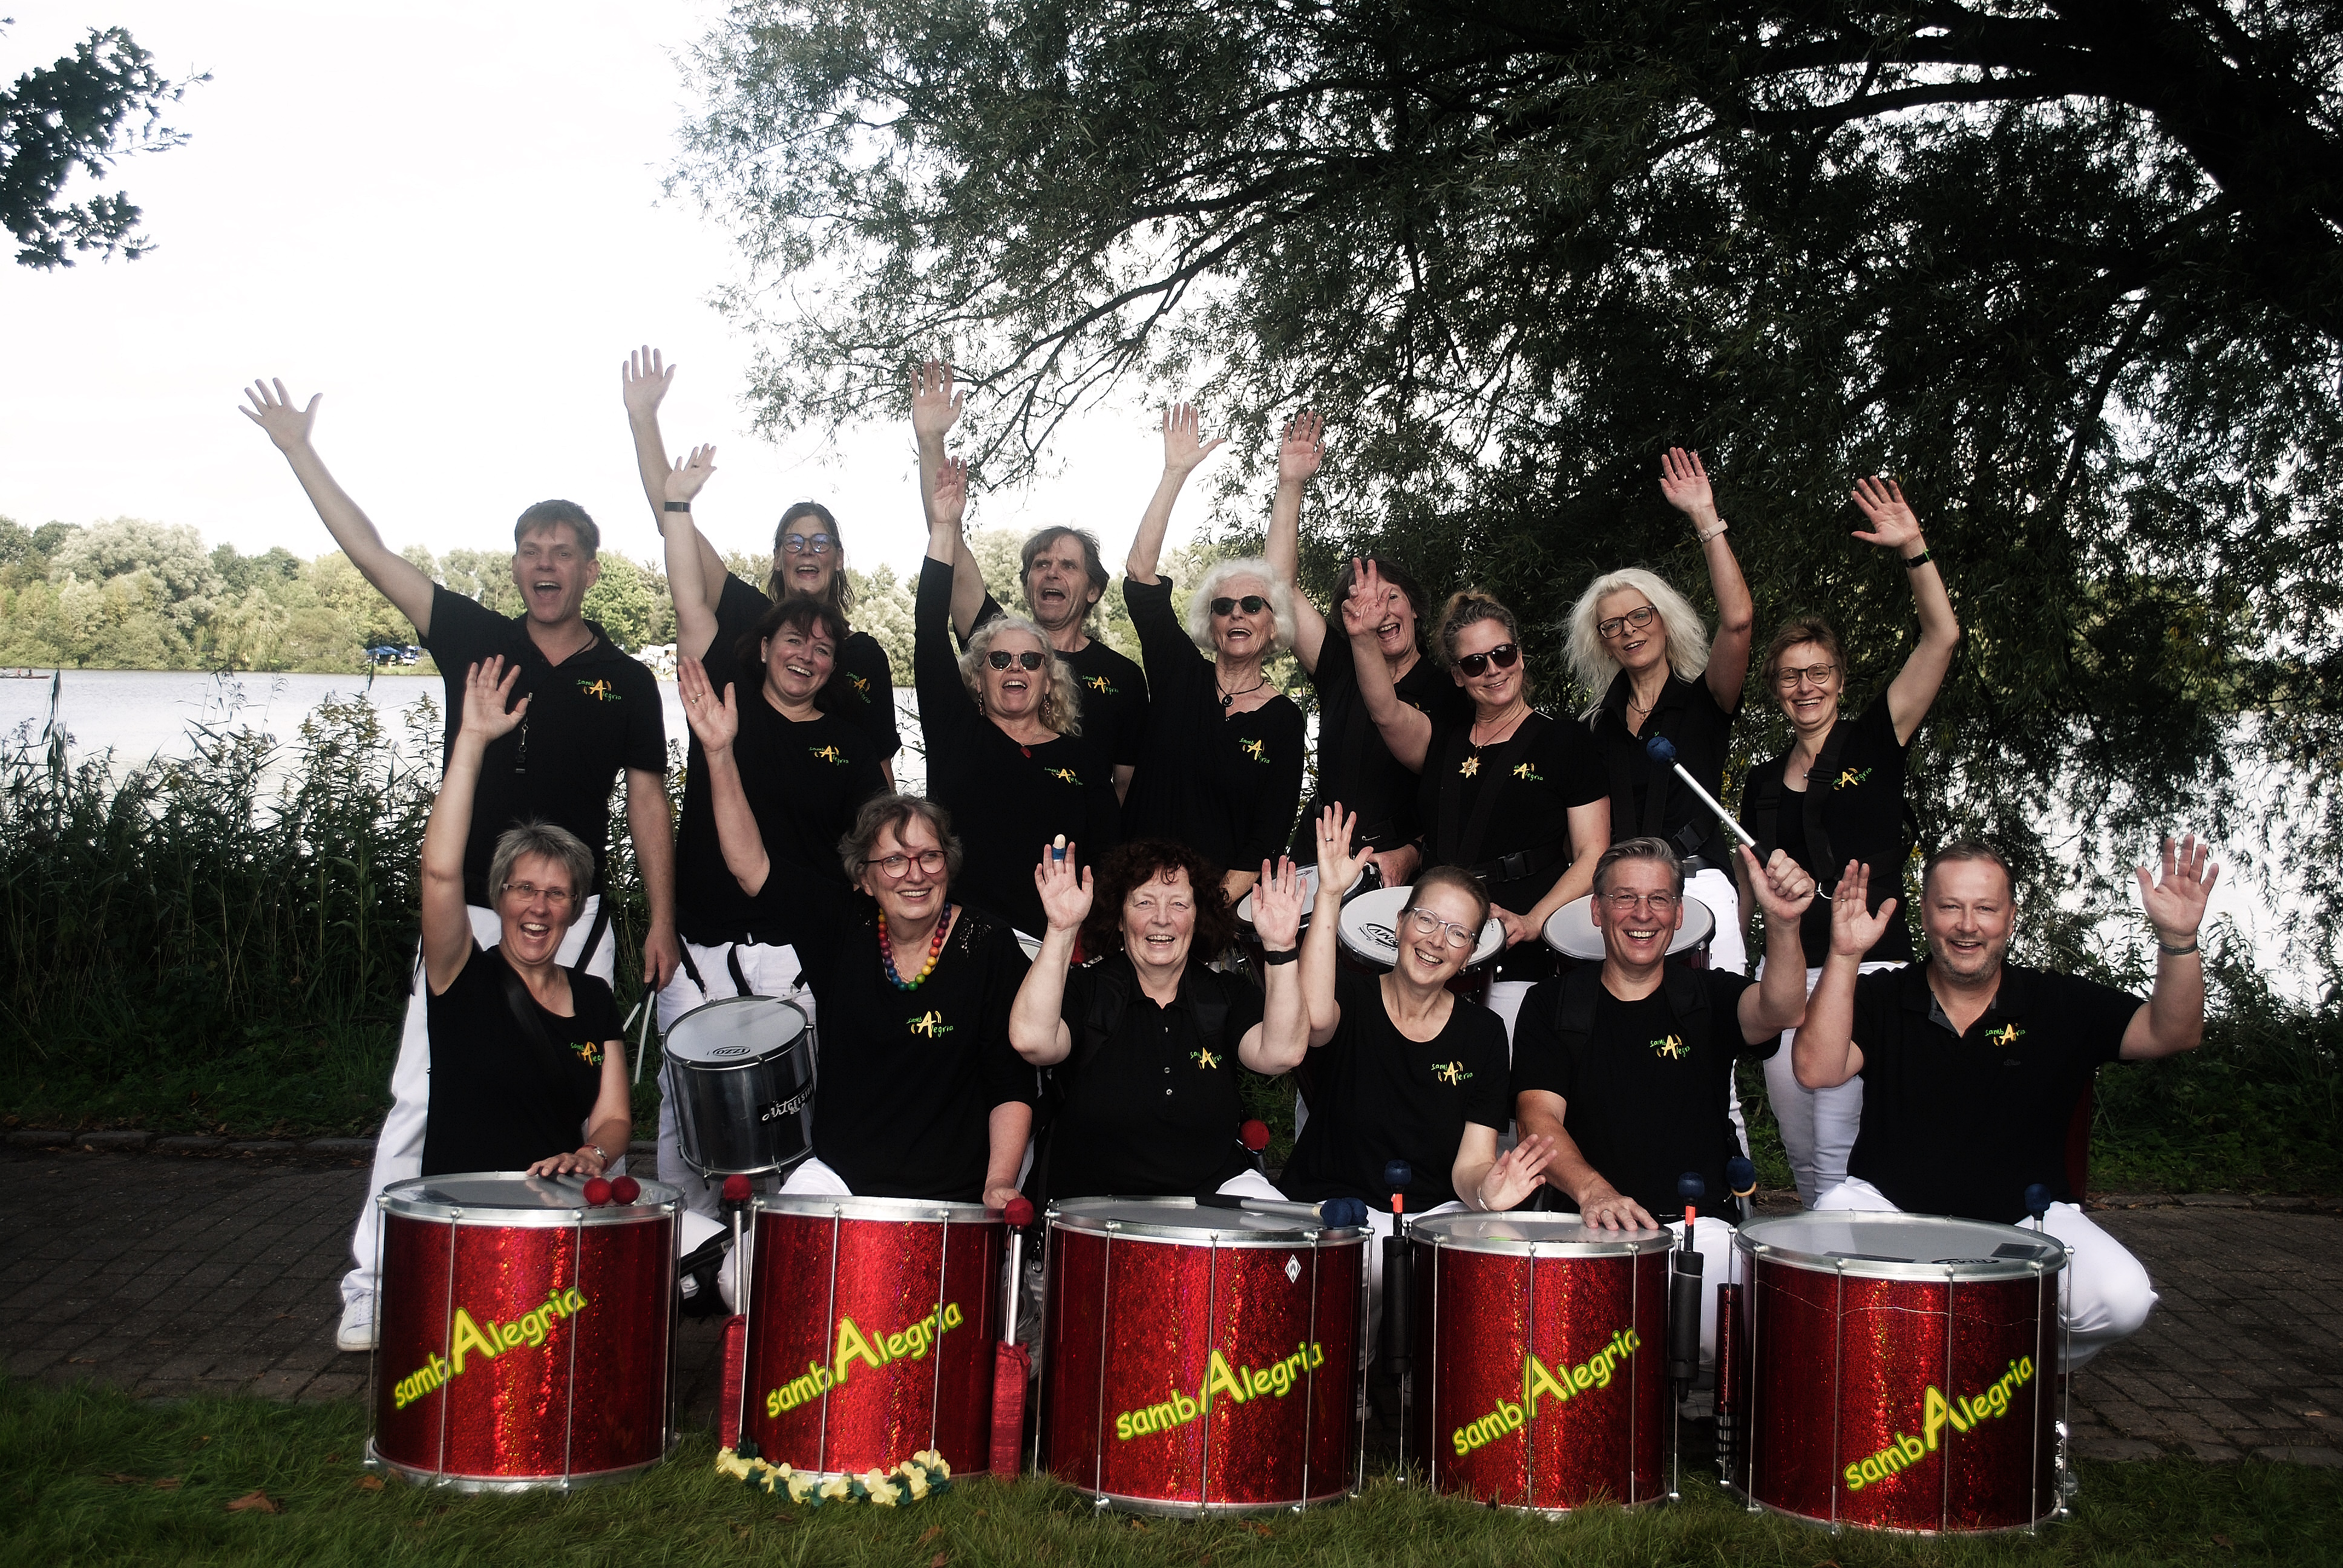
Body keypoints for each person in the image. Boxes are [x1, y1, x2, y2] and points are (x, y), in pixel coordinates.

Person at [241, 378, 675, 1354]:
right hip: (471, 918)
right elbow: (370, 552)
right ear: (517, 565)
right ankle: (374, 1283)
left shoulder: (626, 681)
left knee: (586, 1108)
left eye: (561, 552)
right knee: (422, 1093)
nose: (543, 565)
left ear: (590, 568)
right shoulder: (475, 639)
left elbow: (648, 800)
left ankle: (565, 1282)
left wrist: (662, 916)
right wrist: (298, 449)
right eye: (530, 550)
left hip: (579, 923)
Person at [1792, 838, 2217, 1368]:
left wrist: (2178, 940)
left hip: (2024, 1225)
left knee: (2122, 1299)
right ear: (1925, 914)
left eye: (1986, 908)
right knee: (1812, 1271)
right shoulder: (1882, 995)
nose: (1967, 926)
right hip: (1889, 1215)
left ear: (2011, 918)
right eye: (1950, 906)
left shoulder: (2058, 1003)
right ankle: (1914, 1366)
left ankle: (2006, 1369)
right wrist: (1844, 955)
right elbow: (1815, 1069)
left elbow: (2173, 1033)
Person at [653, 445, 887, 1216]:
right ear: (762, 647)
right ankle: (690, 1257)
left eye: (822, 649)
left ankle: (783, 1263)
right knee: (686, 1128)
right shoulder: (721, 702)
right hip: (703, 949)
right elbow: (690, 599)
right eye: (793, 641)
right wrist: (677, 506)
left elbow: (877, 845)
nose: (806, 655)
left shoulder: (849, 743)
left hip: (798, 958)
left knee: (796, 1136)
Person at [1738, 476, 1961, 1206]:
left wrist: (1912, 548)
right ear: (1774, 688)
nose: (1804, 687)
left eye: (1818, 672)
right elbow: (1747, 891)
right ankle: (1813, 1271)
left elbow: (1941, 637)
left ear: (1838, 678)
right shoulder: (1760, 781)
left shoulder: (1877, 738)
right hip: (1786, 979)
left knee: (1844, 1160)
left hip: (1868, 969)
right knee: (1804, 1162)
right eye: (1789, 676)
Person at [1510, 837, 1817, 1362]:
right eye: (1625, 898)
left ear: (1678, 914)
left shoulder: (1709, 996)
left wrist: (1784, 924)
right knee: (1575, 1363)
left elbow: (1783, 1009)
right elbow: (1536, 1120)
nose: (1642, 913)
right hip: (1585, 1226)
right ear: (1597, 910)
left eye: (1658, 899)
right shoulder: (1551, 1003)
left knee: (1752, 1337)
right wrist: (1594, 1193)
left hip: (1699, 1229)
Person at [1284, 808, 1558, 1350]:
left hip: (1428, 1218)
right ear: (1401, 922)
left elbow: (1471, 1165)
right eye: (1427, 920)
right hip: (1333, 1210)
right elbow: (1313, 1021)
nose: (1436, 941)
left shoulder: (1484, 1034)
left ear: (1471, 953)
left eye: (1458, 933)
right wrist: (1330, 895)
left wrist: (1488, 1192)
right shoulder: (1351, 997)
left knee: (1500, 1273)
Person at [690, 792, 1035, 1206]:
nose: (915, 875)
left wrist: (998, 1183)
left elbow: (1010, 1084)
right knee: (759, 1248)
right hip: (839, 1180)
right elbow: (750, 866)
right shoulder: (839, 924)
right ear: (865, 879)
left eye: (930, 857)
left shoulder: (988, 944)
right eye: (894, 860)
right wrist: (718, 757)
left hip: (953, 1196)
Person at [1346, 564, 1611, 1037]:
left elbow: (1593, 854)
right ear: (1457, 676)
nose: (1492, 670)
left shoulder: (1566, 741)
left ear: (1520, 657)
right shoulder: (1441, 740)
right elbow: (1385, 711)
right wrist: (1364, 638)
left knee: (1504, 1072)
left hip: (1516, 946)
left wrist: (1533, 921)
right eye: (1474, 663)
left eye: (1502, 654)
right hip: (1430, 946)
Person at [623, 347, 900, 782]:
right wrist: (643, 418)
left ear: (839, 559)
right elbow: (672, 523)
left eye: (820, 542)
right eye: (794, 542)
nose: (807, 551)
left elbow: (880, 770)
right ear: (777, 558)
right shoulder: (743, 615)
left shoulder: (865, 657)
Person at [416, 658, 634, 1181]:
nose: (539, 907)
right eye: (525, 890)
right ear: (499, 897)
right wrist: (472, 740)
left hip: (551, 1213)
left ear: (575, 909)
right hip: (462, 1212)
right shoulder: (460, 975)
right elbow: (440, 872)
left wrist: (591, 1156)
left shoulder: (594, 1000)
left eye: (557, 894)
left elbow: (614, 1119)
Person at [1010, 838, 1309, 1203]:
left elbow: (1282, 1053)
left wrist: (1280, 946)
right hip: (1091, 1214)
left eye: (1179, 904)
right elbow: (1032, 1042)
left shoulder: (1224, 995)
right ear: (1120, 918)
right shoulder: (1087, 990)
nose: (1162, 918)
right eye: (1144, 903)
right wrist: (1061, 928)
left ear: (1197, 916)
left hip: (1206, 1209)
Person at [909, 361, 1150, 802]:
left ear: (1094, 589)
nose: (1052, 572)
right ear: (1026, 584)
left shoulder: (1125, 678)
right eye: (1041, 564)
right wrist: (931, 441)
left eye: (1068, 566)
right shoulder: (996, 642)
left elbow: (1125, 788)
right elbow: (947, 541)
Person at [1568, 447, 1757, 975]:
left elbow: (1739, 622)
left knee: (1713, 1022)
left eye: (1640, 615)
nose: (1628, 630)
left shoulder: (1706, 700)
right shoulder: (1594, 729)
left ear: (1664, 619)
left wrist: (1705, 517)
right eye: (1612, 625)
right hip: (1623, 900)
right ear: (1602, 642)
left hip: (1698, 887)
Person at [918, 458, 1122, 936]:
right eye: (999, 660)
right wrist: (944, 528)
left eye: (1030, 660)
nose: (1015, 668)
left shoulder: (1083, 760)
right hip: (962, 941)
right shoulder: (956, 734)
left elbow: (1108, 860)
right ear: (978, 678)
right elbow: (928, 629)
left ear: (1049, 680)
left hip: (1053, 945)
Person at [1263, 413, 1466, 882]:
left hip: (1393, 867)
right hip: (1316, 855)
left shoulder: (1449, 691)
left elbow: (1455, 794)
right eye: (1365, 604)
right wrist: (1290, 484)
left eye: (1391, 597)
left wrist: (1411, 853)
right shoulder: (1340, 665)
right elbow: (1279, 587)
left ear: (1415, 608)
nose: (1380, 612)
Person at [1119, 404, 1308, 905]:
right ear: (1211, 622)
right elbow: (1140, 576)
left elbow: (1264, 843)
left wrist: (1201, 913)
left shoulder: (1284, 722)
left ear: (1273, 624)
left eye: (1253, 605)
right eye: (1224, 606)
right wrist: (1174, 474)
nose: (1237, 614)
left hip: (1210, 913)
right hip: (1131, 900)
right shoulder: (1180, 673)